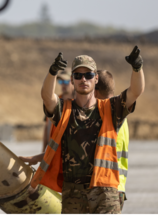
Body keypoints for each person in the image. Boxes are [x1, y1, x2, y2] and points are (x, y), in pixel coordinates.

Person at [20, 48, 144, 216]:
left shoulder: (111, 108)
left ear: (96, 78)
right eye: (78, 75)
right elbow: (47, 97)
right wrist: (52, 73)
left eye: (88, 75)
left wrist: (137, 68)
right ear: (72, 80)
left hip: (105, 191)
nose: (83, 79)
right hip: (73, 193)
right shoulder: (64, 110)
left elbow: (135, 92)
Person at [94, 70, 129, 210]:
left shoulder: (106, 114)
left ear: (95, 91)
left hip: (108, 186)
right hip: (119, 186)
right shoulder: (119, 113)